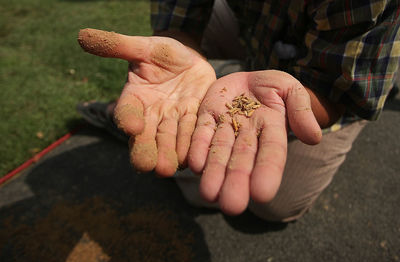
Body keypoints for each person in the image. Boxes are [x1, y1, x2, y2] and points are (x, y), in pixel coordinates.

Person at [77, 0, 400, 222]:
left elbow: (339, 92)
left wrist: (288, 95)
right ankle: (187, 94)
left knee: (273, 204)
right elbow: (179, 17)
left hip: (331, 69)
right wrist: (180, 50)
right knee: (188, 165)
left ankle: (243, 76)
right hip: (252, 25)